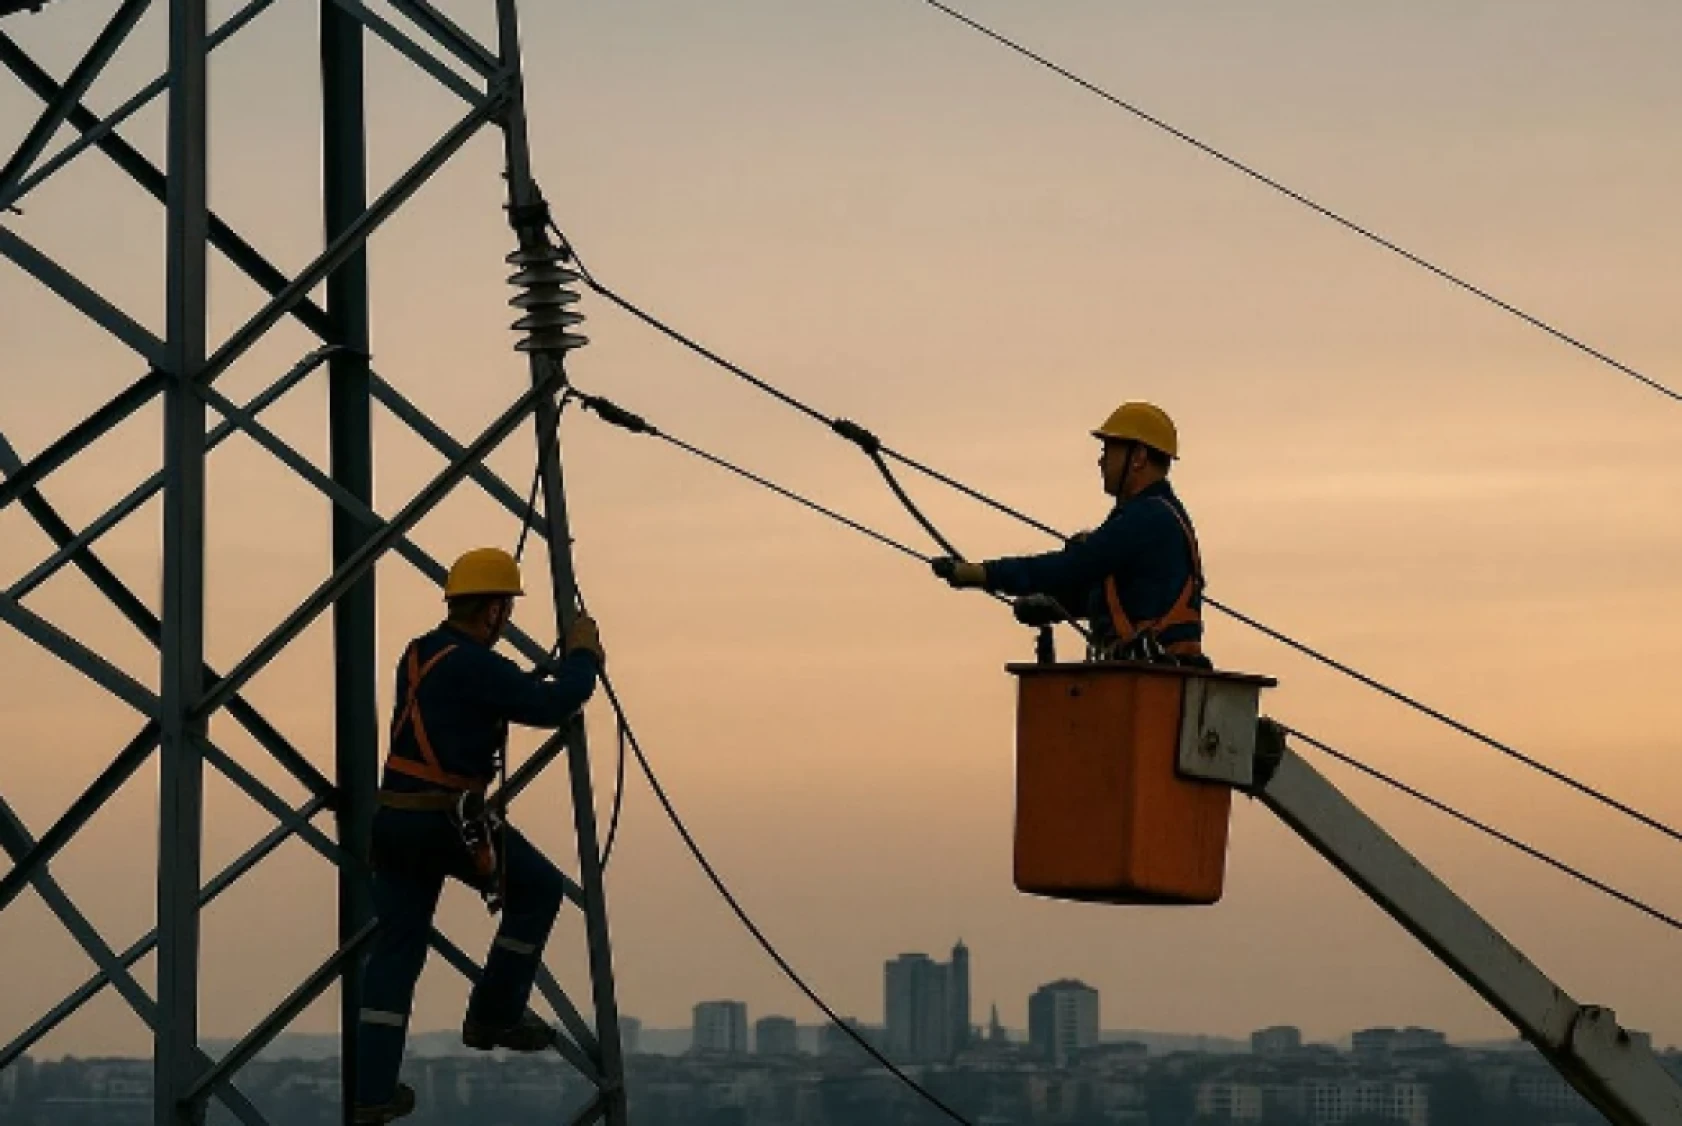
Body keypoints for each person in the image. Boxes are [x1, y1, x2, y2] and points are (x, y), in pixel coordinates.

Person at [353, 547, 605, 1124]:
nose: (506, 620)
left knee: (395, 954)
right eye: (505, 610)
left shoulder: (419, 653)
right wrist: (583, 656)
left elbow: (480, 698)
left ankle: (371, 1092)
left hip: (396, 820)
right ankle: (495, 1012)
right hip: (447, 820)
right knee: (538, 890)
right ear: (492, 610)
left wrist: (528, 680)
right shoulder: (474, 665)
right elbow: (552, 704)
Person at [930, 402, 1209, 667]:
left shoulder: (1147, 519)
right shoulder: (1157, 516)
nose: (1101, 461)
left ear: (1138, 457)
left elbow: (1072, 568)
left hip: (1150, 679)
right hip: (1159, 675)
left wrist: (982, 574)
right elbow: (1133, 598)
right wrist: (1054, 605)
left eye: (1109, 451)